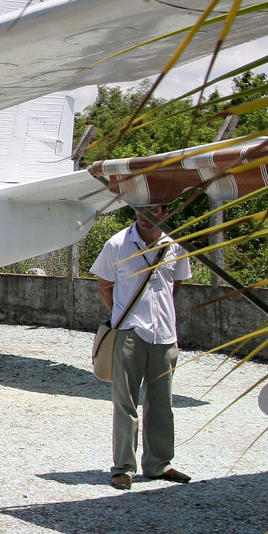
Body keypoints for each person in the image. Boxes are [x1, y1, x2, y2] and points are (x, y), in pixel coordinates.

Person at [90, 203, 194, 490]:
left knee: (162, 403)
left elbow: (175, 283)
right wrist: (123, 317)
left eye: (155, 211)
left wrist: (164, 314)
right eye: (141, 210)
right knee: (125, 403)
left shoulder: (176, 244)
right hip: (130, 333)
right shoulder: (118, 244)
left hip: (165, 334)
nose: (146, 216)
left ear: (166, 211)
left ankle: (159, 464)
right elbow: (104, 284)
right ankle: (124, 467)